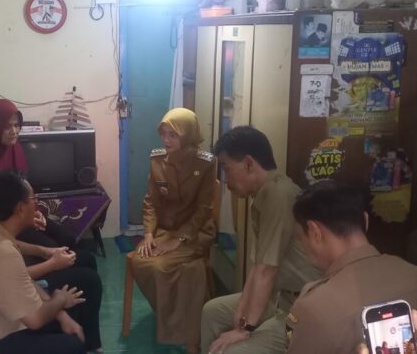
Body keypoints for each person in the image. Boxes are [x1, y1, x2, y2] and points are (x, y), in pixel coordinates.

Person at [0, 139, 103, 352]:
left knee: (71, 318)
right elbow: (35, 319)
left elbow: (24, 282)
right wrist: (59, 299)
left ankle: (89, 344)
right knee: (71, 343)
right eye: (33, 198)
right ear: (20, 209)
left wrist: (61, 313)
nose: (37, 202)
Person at [201, 126, 321, 354]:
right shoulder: (265, 195)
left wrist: (246, 327)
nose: (225, 180)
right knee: (212, 311)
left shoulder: (279, 195)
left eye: (227, 169)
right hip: (280, 297)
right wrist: (241, 314)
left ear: (248, 163)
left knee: (235, 350)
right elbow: (258, 267)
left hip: (302, 306)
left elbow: (267, 269)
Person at [287, 181, 417, 354]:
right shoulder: (412, 273)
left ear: (314, 231)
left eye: (300, 237)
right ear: (366, 220)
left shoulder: (313, 308)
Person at [131, 108, 217, 353]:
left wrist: (178, 239)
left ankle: (183, 333)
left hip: (196, 232)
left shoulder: (206, 163)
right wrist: (149, 233)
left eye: (173, 135)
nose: (166, 140)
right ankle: (175, 320)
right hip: (164, 231)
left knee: (163, 266)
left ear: (188, 135)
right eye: (163, 134)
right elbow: (151, 201)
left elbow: (203, 208)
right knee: (142, 261)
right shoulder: (157, 160)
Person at [0, 99, 82, 250]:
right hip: (4, 225)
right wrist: (26, 219)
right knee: (52, 245)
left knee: (69, 238)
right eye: (6, 126)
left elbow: (23, 189)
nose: (14, 131)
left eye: (16, 125)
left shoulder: (15, 149)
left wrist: (34, 213)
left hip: (23, 214)